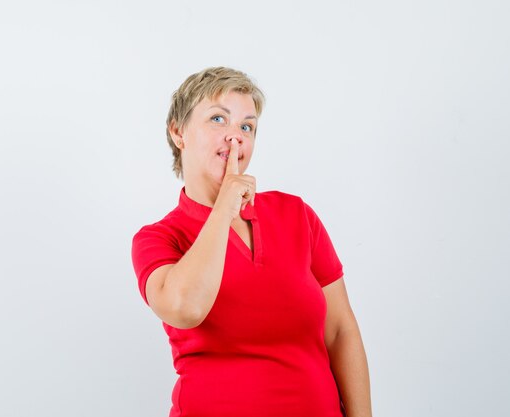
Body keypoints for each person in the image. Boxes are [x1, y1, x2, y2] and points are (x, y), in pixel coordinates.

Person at [131, 67, 372, 417]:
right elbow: (184, 308)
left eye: (247, 126)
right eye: (218, 119)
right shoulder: (158, 238)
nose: (235, 137)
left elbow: (340, 331)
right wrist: (225, 205)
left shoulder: (296, 215)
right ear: (178, 132)